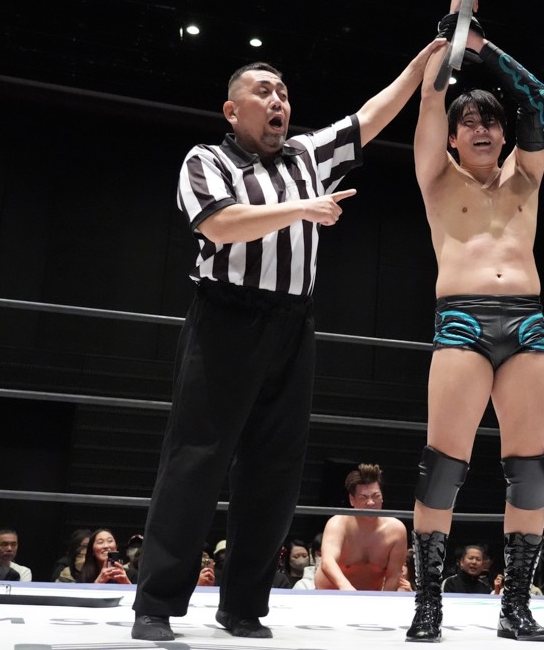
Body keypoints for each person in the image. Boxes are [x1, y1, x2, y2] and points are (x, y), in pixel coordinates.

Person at [130, 36, 448, 643]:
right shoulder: (206, 160)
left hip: (292, 325)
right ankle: (157, 604)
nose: (278, 100)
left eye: (283, 91)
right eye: (264, 91)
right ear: (233, 110)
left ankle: (243, 606)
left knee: (274, 472)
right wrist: (303, 209)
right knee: (195, 462)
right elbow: (219, 225)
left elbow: (369, 118)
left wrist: (419, 64)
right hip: (226, 319)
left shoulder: (306, 156)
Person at [405, 0, 544, 643]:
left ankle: (515, 605)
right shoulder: (437, 178)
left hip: (527, 324)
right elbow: (429, 100)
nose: (481, 128)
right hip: (462, 321)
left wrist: (482, 48)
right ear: (454, 136)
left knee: (531, 470)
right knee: (443, 466)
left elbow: (538, 98)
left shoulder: (526, 176)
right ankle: (428, 605)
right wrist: (448, 49)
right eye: (469, 122)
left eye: (490, 119)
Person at [316, 463, 407, 591]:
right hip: (331, 593)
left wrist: (384, 600)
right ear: (352, 500)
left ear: (382, 497)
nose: (370, 502)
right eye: (363, 497)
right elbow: (327, 562)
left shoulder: (396, 530)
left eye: (376, 496)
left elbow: (394, 575)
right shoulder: (338, 523)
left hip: (371, 597)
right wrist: (347, 590)